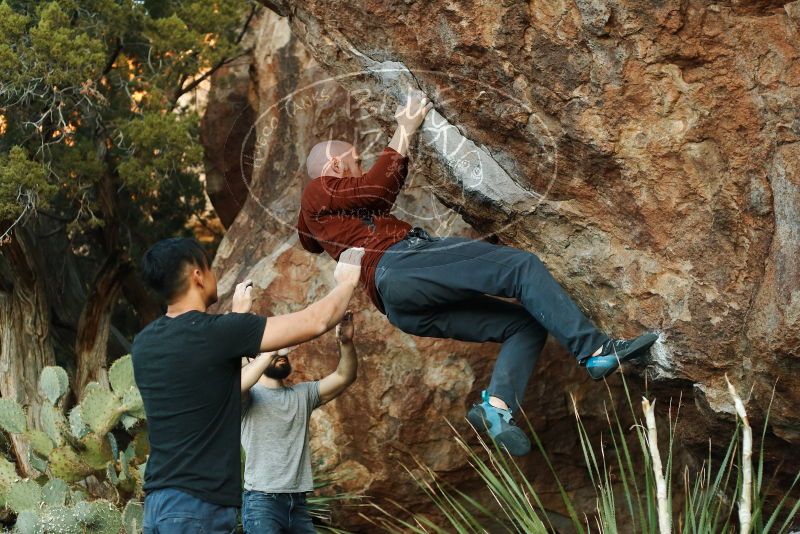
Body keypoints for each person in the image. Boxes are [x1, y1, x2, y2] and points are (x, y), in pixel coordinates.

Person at [296, 91, 658, 456]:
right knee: (519, 267)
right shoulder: (317, 191)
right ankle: (594, 351)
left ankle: (496, 408)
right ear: (335, 168)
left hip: (401, 308)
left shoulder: (326, 216)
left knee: (524, 325)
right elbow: (376, 186)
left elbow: (357, 210)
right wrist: (404, 129)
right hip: (403, 264)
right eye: (355, 162)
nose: (359, 167)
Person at [132, 237, 363, 533]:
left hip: (157, 504)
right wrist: (347, 281)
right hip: (198, 508)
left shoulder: (144, 344)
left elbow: (206, 379)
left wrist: (238, 319)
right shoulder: (215, 334)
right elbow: (316, 321)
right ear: (197, 275)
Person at [239, 310, 359, 534]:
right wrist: (270, 349)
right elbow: (237, 385)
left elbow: (344, 376)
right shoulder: (248, 396)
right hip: (262, 503)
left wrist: (346, 342)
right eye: (272, 347)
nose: (281, 352)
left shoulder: (302, 395)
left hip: (299, 504)